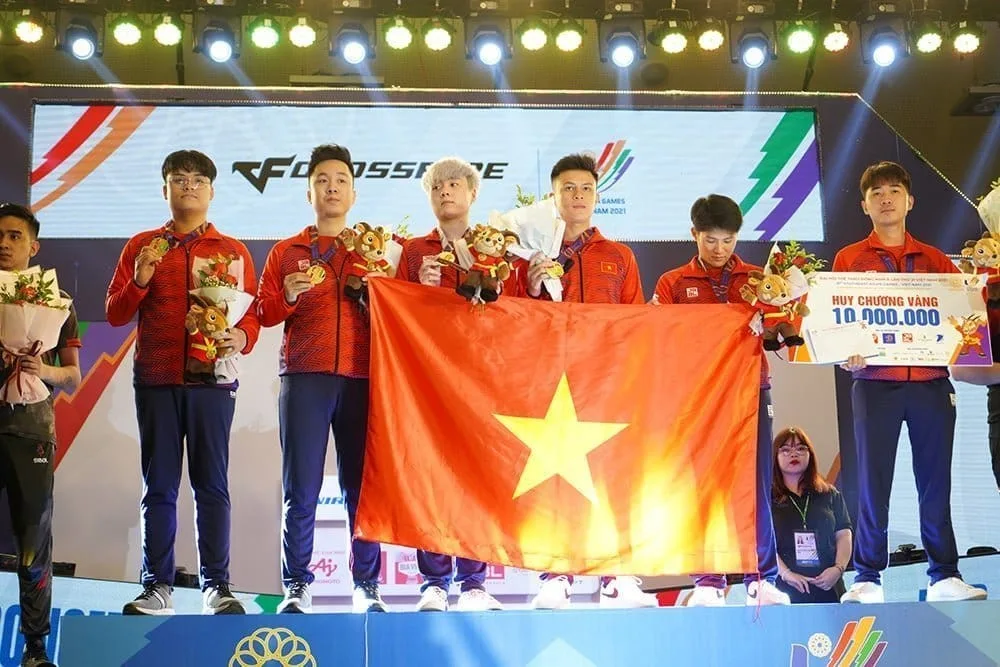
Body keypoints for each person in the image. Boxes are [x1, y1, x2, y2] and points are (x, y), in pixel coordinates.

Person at [106, 150, 260, 616]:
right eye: (179, 179)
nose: (188, 186)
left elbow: (251, 316)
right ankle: (157, 587)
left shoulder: (232, 251)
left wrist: (242, 336)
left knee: (212, 485)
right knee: (159, 488)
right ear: (165, 189)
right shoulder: (143, 246)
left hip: (212, 383)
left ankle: (217, 587)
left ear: (211, 191)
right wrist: (139, 279)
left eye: (197, 180)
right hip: (157, 380)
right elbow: (115, 313)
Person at [835, 160, 986, 603]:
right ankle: (866, 577)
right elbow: (836, 321)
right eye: (876, 193)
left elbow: (967, 320)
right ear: (864, 206)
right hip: (873, 383)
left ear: (910, 201)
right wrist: (844, 352)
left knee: (935, 482)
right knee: (872, 482)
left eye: (894, 191)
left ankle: (944, 575)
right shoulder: (849, 259)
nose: (886, 199)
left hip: (930, 384)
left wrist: (967, 336)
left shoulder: (936, 261)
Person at [256, 144, 387, 614]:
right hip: (304, 377)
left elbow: (396, 311)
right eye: (322, 181)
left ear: (354, 193)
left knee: (362, 488)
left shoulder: (373, 251)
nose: (332, 188)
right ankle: (297, 584)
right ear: (308, 193)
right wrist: (288, 297)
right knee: (301, 488)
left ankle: (366, 584)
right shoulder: (286, 252)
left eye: (341, 181)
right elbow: (263, 312)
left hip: (361, 377)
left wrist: (378, 292)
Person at [526, 153, 656, 610]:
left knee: (612, 477)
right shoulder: (530, 253)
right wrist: (531, 285)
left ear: (597, 196)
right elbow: (511, 317)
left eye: (585, 188)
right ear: (552, 196)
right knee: (554, 478)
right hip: (550, 380)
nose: (577, 196)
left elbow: (635, 322)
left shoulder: (619, 256)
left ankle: (615, 576)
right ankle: (554, 576)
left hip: (606, 382)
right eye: (568, 188)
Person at [652, 194, 790, 607]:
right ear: (693, 234)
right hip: (697, 397)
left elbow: (780, 337)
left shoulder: (760, 280)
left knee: (756, 484)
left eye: (728, 240)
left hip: (751, 389)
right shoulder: (673, 283)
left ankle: (760, 577)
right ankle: (708, 581)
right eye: (710, 240)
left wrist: (778, 324)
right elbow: (659, 339)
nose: (719, 249)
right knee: (701, 486)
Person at [397, 157, 508, 612]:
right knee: (432, 475)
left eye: (454, 185)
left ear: (473, 193)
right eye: (437, 187)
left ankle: (475, 582)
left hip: (480, 375)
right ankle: (434, 582)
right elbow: (392, 312)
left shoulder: (496, 246)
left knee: (477, 475)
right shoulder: (412, 252)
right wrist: (418, 288)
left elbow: (513, 309)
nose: (445, 192)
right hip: (427, 377)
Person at [0, 203, 81, 667]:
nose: (4, 243)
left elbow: (72, 376)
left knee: (33, 544)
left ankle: (35, 649)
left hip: (31, 429)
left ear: (33, 246)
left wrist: (39, 368)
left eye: (15, 236)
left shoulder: (57, 301)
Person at [771, 427, 852, 604]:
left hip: (829, 585)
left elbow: (844, 534)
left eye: (801, 448)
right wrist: (786, 574)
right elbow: (763, 544)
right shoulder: (767, 498)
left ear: (810, 455)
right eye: (785, 450)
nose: (794, 454)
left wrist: (838, 569)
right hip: (784, 588)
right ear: (775, 457)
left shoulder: (829, 494)